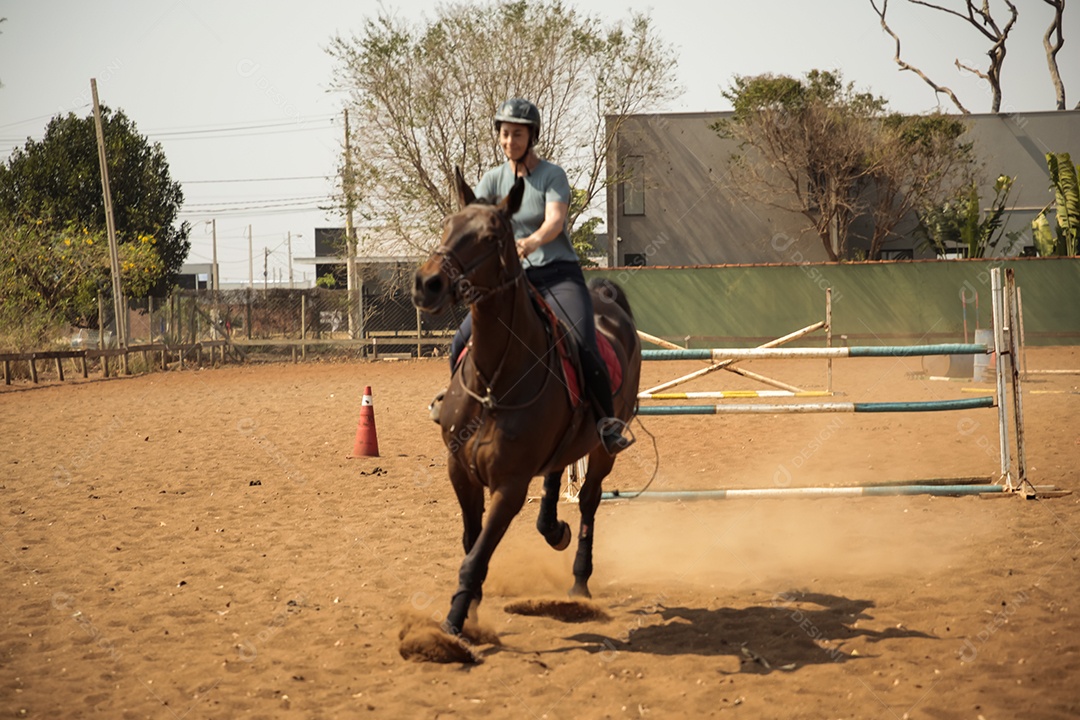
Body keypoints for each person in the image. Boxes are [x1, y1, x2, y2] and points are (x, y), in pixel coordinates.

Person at [437, 98, 632, 455]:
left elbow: (555, 221)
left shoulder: (551, 176)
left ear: (532, 137)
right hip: (514, 282)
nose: (510, 140)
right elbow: (478, 220)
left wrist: (530, 242)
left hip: (558, 276)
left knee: (584, 344)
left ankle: (606, 423)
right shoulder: (494, 179)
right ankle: (457, 406)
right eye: (505, 134)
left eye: (518, 134)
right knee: (460, 340)